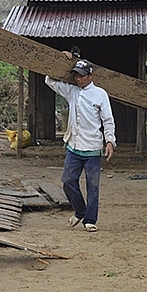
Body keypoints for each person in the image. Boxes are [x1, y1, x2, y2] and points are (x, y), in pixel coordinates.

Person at [45, 51, 116, 232]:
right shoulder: (72, 92)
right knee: (68, 182)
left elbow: (108, 120)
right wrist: (61, 60)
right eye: (76, 75)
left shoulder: (100, 94)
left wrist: (110, 141)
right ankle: (80, 210)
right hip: (74, 146)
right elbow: (50, 81)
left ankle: (89, 220)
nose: (78, 79)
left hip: (92, 147)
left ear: (90, 76)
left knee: (92, 186)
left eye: (82, 76)